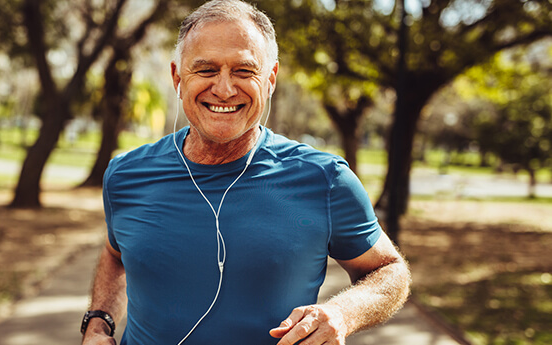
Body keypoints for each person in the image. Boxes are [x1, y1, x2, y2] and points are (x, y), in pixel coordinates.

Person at [81, 1, 410, 344]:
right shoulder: (126, 174)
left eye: (244, 71)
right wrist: (99, 322)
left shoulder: (325, 179)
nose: (224, 89)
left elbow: (389, 271)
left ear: (270, 80)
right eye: (206, 70)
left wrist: (343, 314)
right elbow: (115, 254)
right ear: (178, 78)